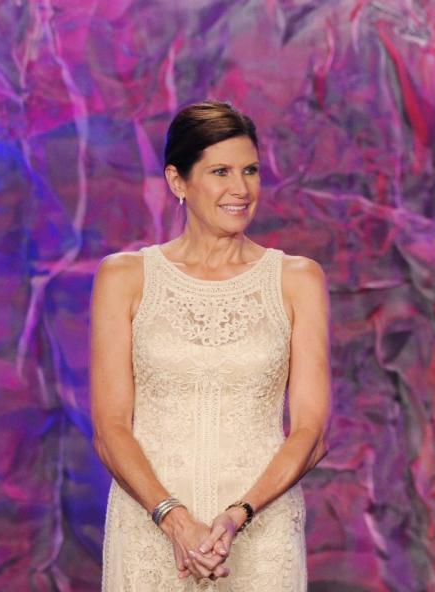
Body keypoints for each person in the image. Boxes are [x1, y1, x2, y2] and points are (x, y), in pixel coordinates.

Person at [91, 101, 331, 590]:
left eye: (251, 171)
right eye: (220, 171)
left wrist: (237, 516)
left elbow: (311, 429)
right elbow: (110, 427)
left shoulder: (296, 279)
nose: (240, 189)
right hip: (150, 529)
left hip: (257, 532)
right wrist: (173, 518)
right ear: (178, 181)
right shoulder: (125, 277)